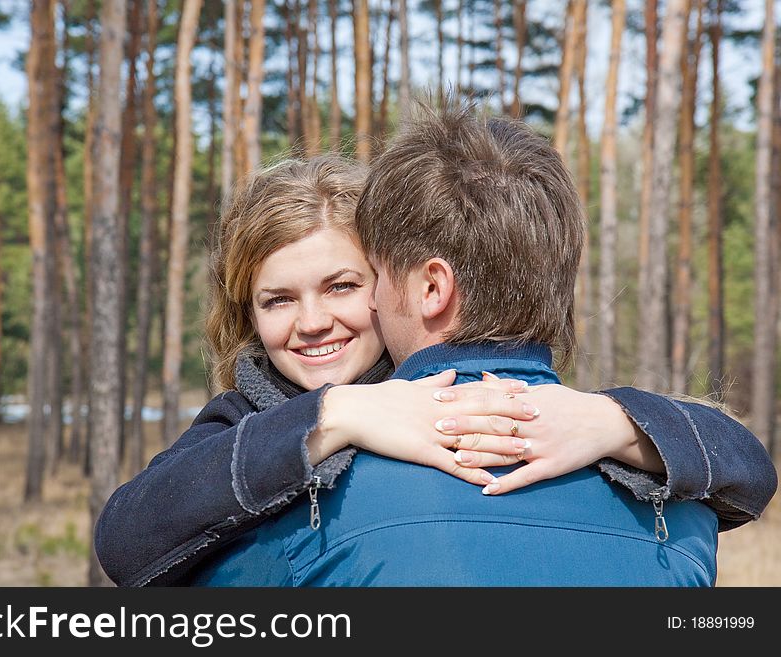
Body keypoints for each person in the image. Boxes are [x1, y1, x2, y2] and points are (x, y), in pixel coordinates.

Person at [95, 115, 777, 586]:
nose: (312, 322)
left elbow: (747, 464)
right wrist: (330, 417)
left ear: (409, 286)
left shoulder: (509, 414)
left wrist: (617, 420)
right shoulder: (242, 422)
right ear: (244, 312)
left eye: (344, 285)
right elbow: (129, 534)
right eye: (276, 300)